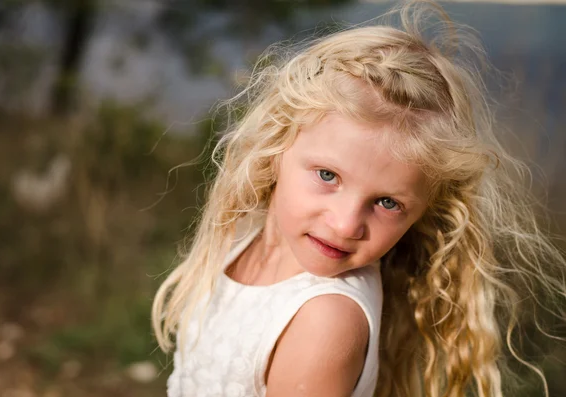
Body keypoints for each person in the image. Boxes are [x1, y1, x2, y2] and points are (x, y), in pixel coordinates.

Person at [151, 2, 566, 396]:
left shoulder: (324, 321)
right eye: (328, 176)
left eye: (388, 203)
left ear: (422, 212)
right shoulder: (250, 231)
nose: (346, 224)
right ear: (275, 147)